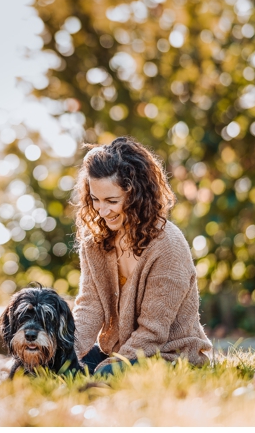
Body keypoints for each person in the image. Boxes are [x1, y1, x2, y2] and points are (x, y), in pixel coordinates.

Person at [71, 136, 212, 375]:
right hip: (117, 352)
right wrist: (65, 353)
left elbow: (152, 333)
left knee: (104, 374)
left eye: (112, 201)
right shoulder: (95, 241)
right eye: (95, 199)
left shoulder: (168, 245)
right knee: (60, 368)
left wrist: (106, 368)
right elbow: (89, 306)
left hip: (169, 356)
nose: (102, 211)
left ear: (136, 195)